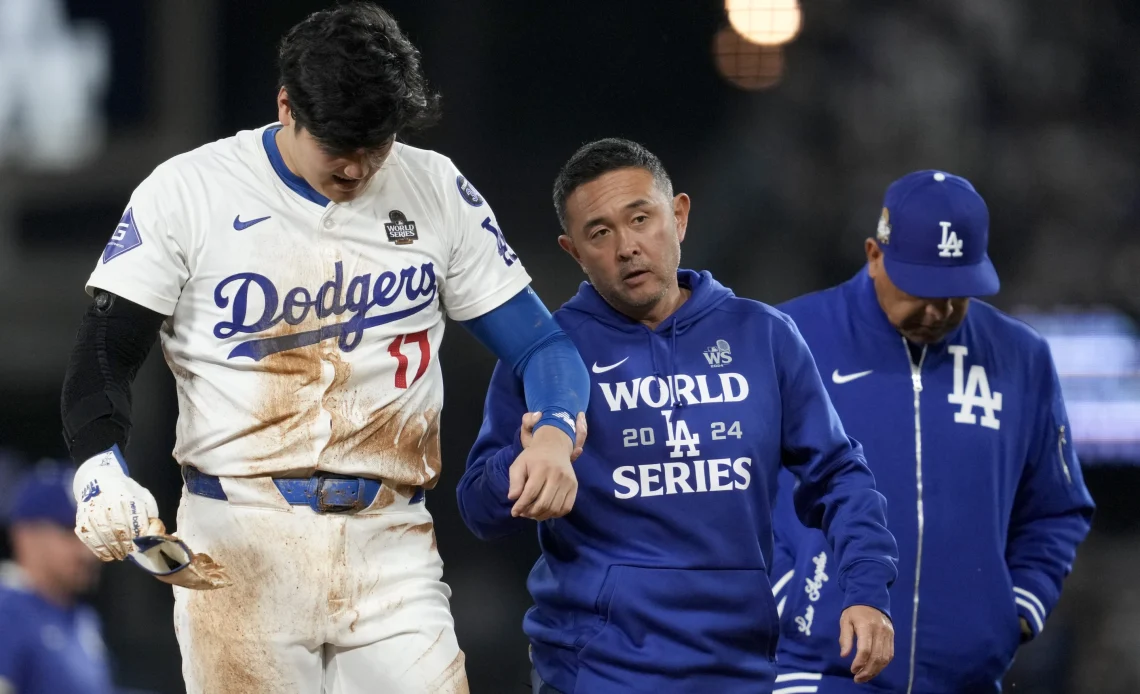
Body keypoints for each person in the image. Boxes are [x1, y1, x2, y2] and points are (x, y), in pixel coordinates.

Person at [58, 3, 590, 692]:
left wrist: (552, 431)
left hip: (391, 544)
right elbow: (104, 350)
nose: (359, 167)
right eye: (339, 146)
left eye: (377, 144)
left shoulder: (433, 188)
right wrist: (99, 468)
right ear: (287, 106)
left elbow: (544, 346)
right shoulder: (189, 191)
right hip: (239, 540)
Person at [457, 138, 900, 694]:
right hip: (596, 671)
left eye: (640, 218)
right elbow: (477, 507)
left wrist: (865, 591)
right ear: (573, 251)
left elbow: (839, 477)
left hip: (738, 670)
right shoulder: (547, 350)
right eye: (600, 233)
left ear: (680, 215)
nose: (626, 247)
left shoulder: (764, 336)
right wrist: (521, 466)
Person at [770, 170, 1096, 694]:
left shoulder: (1021, 357)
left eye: (958, 291)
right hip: (817, 672)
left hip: (966, 679)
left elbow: (1057, 508)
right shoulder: (789, 336)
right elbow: (730, 485)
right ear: (875, 254)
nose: (939, 309)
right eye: (922, 288)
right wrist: (790, 597)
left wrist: (1011, 611)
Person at [0, 460, 113, 694]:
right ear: (24, 534)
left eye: (92, 533)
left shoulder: (83, 618)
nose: (87, 550)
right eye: (69, 531)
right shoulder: (7, 612)